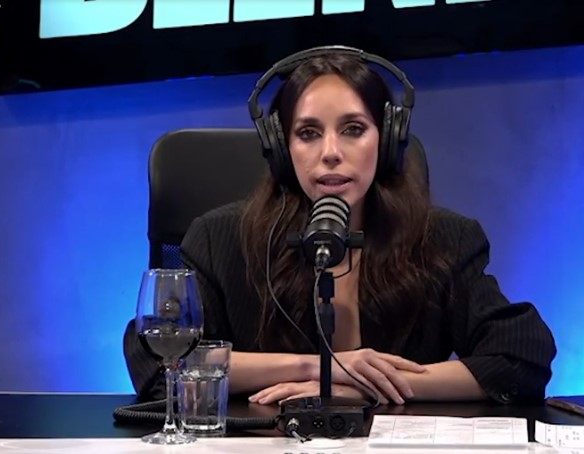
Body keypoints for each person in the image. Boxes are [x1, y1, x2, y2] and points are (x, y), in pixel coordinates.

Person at [124, 46, 556, 406]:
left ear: (387, 140)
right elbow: (160, 360)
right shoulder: (219, 239)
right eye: (308, 133)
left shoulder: (444, 239)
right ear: (281, 149)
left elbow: (521, 356)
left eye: (353, 129)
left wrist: (366, 386)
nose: (331, 152)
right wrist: (320, 368)